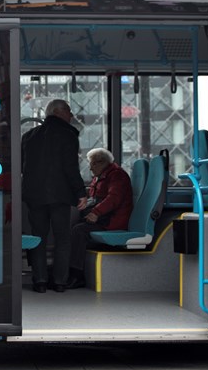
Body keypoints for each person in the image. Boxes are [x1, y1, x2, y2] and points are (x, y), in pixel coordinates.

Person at [20, 99, 84, 293]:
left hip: (34, 195)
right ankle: (59, 282)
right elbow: (71, 168)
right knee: (62, 238)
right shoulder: (68, 135)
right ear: (59, 112)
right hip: (60, 195)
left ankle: (39, 281)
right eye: (69, 112)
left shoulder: (29, 136)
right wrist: (81, 192)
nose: (71, 116)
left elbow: (22, 167)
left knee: (38, 237)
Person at [64, 148, 133, 289]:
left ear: (102, 163)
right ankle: (66, 270)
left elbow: (113, 199)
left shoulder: (117, 176)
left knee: (78, 231)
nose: (90, 168)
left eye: (93, 164)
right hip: (104, 217)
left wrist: (96, 212)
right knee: (72, 225)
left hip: (112, 220)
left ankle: (76, 275)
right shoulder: (100, 176)